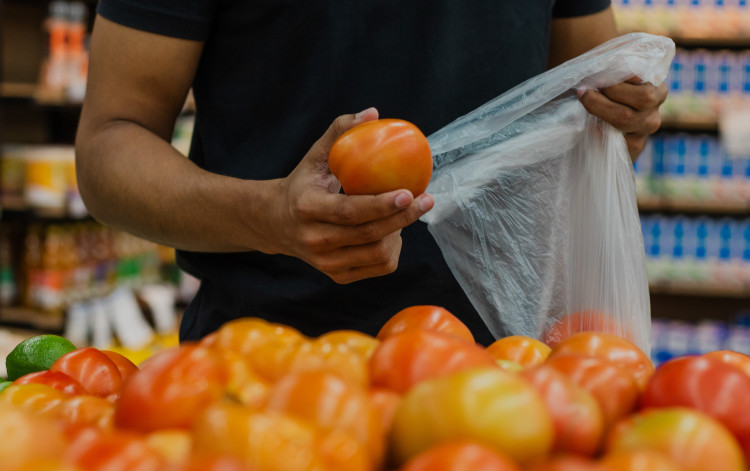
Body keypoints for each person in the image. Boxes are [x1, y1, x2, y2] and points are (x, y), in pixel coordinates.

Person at [75, 1, 667, 346]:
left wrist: (622, 115)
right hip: (265, 364)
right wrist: (268, 216)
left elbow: (592, 103)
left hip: (506, 364)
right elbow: (109, 145)